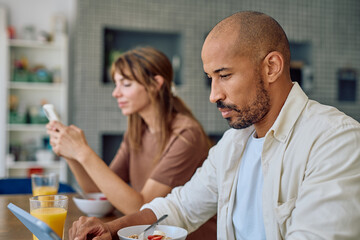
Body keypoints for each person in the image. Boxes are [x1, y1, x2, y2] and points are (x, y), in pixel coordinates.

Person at [68, 11, 360, 240]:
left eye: (225, 75)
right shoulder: (234, 144)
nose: (213, 95)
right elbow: (178, 207)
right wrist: (113, 230)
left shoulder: (335, 140)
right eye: (211, 77)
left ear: (271, 67)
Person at [46, 47, 216, 239]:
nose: (115, 93)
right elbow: (98, 190)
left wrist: (82, 151)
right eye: (116, 84)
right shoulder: (137, 130)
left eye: (125, 84)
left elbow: (141, 207)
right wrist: (71, 153)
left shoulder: (186, 134)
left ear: (155, 84)